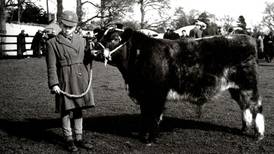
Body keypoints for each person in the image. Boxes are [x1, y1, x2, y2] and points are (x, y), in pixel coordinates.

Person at [45, 10, 97, 152]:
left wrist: (91, 55)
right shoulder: (52, 43)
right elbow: (51, 66)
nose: (68, 30)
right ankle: (69, 139)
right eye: (65, 26)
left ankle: (79, 138)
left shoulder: (82, 40)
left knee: (79, 108)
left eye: (71, 27)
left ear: (76, 26)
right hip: (65, 78)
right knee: (66, 110)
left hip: (81, 77)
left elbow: (85, 59)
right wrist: (54, 83)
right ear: (61, 24)